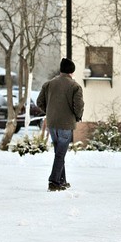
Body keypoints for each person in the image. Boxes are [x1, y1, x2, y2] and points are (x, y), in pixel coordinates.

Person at [37, 58, 84, 192]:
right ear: (72, 71)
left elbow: (39, 101)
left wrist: (50, 112)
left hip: (52, 124)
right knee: (60, 153)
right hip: (66, 124)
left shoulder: (48, 84)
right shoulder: (75, 87)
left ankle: (62, 181)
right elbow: (78, 106)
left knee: (59, 152)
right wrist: (77, 116)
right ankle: (54, 182)